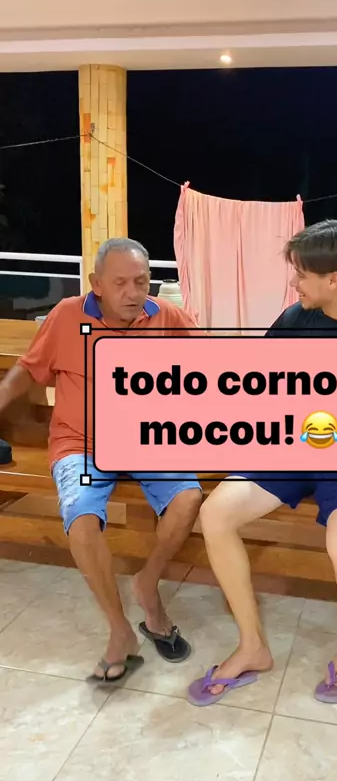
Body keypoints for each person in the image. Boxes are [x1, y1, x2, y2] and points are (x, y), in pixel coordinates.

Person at [188, 219, 337, 707]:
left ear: (333, 278)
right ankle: (252, 645)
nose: (295, 283)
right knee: (215, 512)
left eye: (302, 275)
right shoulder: (295, 319)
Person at [0, 238, 203, 685]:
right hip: (81, 443)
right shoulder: (66, 316)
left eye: (141, 282)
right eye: (120, 283)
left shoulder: (167, 317)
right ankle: (120, 630)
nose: (133, 293)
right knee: (81, 518)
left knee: (188, 498)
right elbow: (26, 370)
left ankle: (147, 584)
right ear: (96, 284)